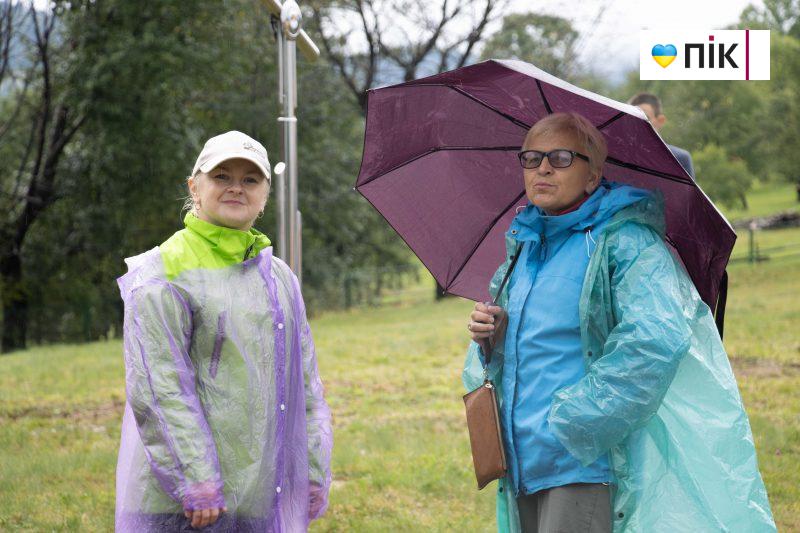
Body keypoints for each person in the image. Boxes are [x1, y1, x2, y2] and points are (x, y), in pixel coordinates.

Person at [463, 113, 775, 532]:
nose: (542, 168)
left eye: (559, 157)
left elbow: (656, 338)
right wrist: (491, 337)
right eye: (531, 157)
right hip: (523, 459)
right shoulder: (523, 250)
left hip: (582, 462)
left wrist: (576, 421)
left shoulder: (624, 242)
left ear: (592, 176)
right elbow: (524, 350)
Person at [115, 131, 332, 532]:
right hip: (184, 507)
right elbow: (160, 390)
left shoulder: (279, 277)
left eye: (250, 179)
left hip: (259, 497)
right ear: (194, 187)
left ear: (266, 194)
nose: (236, 187)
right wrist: (195, 480)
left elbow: (305, 385)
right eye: (221, 176)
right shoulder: (162, 273)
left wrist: (312, 469)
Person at [628, 92, 695, 178]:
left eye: (645, 118)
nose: (638, 123)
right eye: (633, 118)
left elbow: (688, 191)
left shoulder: (678, 158)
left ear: (660, 120)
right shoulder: (622, 156)